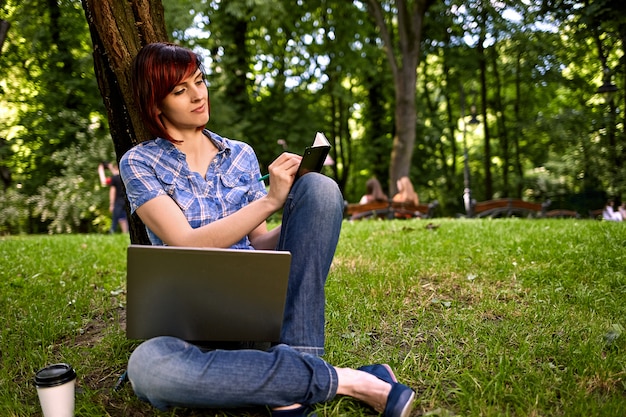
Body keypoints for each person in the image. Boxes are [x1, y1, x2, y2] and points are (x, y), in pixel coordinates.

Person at [119, 42, 415, 417]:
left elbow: (258, 242)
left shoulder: (240, 155)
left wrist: (296, 212)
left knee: (319, 190)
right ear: (156, 103)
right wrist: (270, 201)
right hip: (189, 330)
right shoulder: (140, 162)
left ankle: (293, 363)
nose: (198, 95)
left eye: (199, 81)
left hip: (258, 318)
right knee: (149, 368)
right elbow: (184, 242)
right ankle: (346, 381)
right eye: (180, 90)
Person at [98, 161, 129, 233]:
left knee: (115, 219)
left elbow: (106, 184)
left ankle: (112, 232)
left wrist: (100, 170)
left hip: (118, 201)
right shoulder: (125, 176)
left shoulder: (114, 178)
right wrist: (111, 167)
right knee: (123, 218)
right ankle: (125, 233)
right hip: (127, 200)